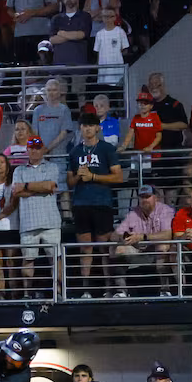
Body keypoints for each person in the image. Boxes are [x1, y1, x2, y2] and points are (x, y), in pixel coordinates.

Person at [67, 112, 123, 298]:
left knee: (104, 247)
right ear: (80, 128)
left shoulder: (107, 149)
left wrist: (93, 177)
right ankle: (86, 290)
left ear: (97, 128)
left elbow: (118, 176)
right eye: (84, 125)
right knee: (85, 247)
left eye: (91, 125)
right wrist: (78, 176)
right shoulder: (75, 151)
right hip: (81, 203)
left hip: (102, 203)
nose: (88, 129)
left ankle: (109, 288)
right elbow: (69, 183)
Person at [11, 136, 61, 298]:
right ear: (27, 150)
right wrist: (41, 187)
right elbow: (16, 192)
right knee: (28, 259)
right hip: (28, 222)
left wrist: (26, 187)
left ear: (43, 149)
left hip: (51, 221)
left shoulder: (52, 167)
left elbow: (50, 186)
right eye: (31, 148)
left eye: (37, 147)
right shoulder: (19, 170)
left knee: (55, 259)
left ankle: (59, 292)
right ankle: (27, 294)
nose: (34, 150)